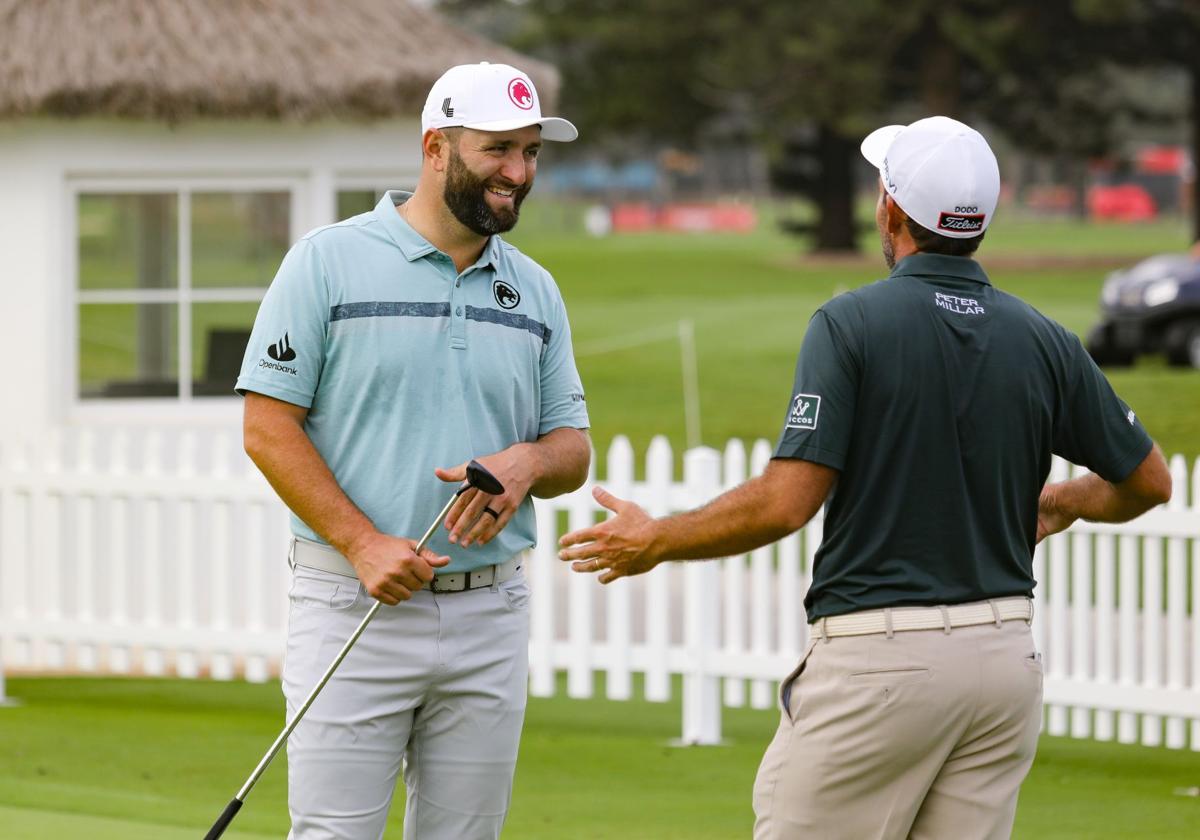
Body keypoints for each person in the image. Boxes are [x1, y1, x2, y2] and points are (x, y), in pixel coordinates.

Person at [558, 116, 1171, 840]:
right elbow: (1149, 483)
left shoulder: (850, 323)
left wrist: (659, 538)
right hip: (1005, 660)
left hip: (882, 664)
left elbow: (787, 502)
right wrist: (1065, 500)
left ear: (890, 208)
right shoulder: (1045, 339)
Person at [236, 62, 591, 840]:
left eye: (531, 153)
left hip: (490, 612)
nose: (519, 173)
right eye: (499, 149)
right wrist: (362, 543)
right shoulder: (326, 262)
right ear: (437, 147)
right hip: (351, 603)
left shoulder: (534, 290)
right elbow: (267, 427)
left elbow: (572, 447)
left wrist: (528, 463)